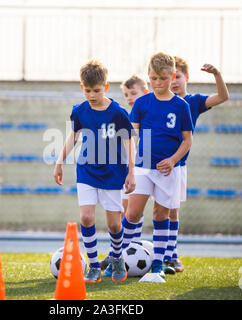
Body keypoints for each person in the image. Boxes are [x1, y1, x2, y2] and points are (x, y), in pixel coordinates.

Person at [53, 60, 136, 283]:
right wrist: (59, 161)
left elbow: (129, 141)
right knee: (86, 217)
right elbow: (74, 136)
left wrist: (131, 172)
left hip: (112, 172)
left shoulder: (118, 112)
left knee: (113, 224)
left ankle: (117, 258)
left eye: (96, 90)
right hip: (87, 171)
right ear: (82, 88)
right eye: (87, 90)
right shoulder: (79, 111)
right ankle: (92, 265)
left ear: (106, 87)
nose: (92, 95)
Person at [123, 52, 193, 278]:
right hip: (143, 167)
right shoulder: (142, 102)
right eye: (153, 78)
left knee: (161, 214)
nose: (157, 83)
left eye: (162, 78)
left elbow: (187, 140)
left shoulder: (181, 106)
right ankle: (121, 258)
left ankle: (158, 264)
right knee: (132, 213)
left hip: (166, 170)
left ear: (172, 76)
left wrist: (173, 160)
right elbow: (130, 135)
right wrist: (130, 167)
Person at [163, 56, 229, 273]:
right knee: (147, 209)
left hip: (177, 165)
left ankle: (170, 255)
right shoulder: (159, 100)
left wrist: (217, 75)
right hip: (154, 163)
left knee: (172, 210)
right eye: (170, 77)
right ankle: (132, 250)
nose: (173, 81)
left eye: (178, 76)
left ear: (186, 77)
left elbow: (222, 96)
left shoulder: (193, 102)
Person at [99, 75, 149, 274]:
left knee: (132, 210)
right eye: (126, 94)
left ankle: (125, 250)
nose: (129, 98)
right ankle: (119, 251)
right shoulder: (125, 116)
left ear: (145, 93)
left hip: (141, 169)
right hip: (124, 169)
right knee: (122, 212)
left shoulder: (148, 114)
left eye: (133, 93)